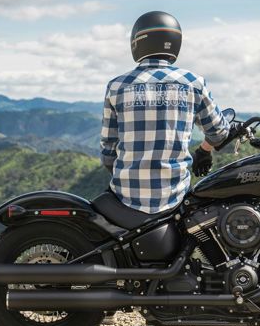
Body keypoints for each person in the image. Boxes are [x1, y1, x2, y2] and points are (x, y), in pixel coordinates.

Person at [99, 11, 237, 214]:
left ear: (137, 42)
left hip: (125, 197)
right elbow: (219, 133)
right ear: (175, 42)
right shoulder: (193, 83)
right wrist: (204, 150)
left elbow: (108, 151)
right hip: (176, 198)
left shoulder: (117, 86)